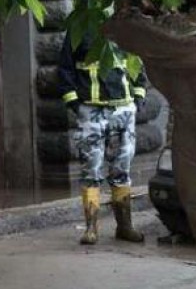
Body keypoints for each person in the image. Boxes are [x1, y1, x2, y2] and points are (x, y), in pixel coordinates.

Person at [58, 30, 148, 245]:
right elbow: (65, 69)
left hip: (124, 110)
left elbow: (138, 65)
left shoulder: (124, 28)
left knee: (122, 168)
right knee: (91, 167)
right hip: (91, 110)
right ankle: (91, 229)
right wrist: (75, 104)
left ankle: (125, 227)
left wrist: (138, 98)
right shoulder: (78, 31)